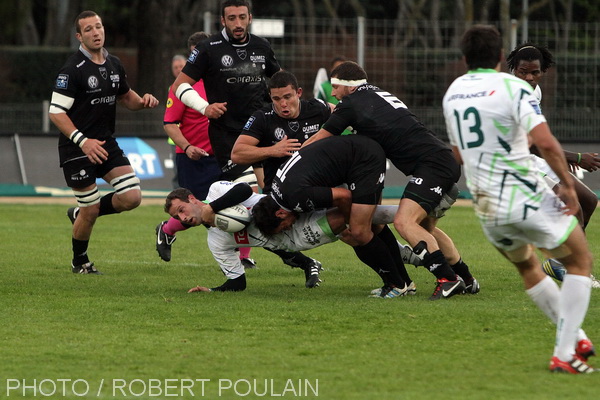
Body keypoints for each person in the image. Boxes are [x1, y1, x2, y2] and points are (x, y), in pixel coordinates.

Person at [443, 24, 595, 373]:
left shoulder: (453, 93)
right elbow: (544, 141)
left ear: (465, 59)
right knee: (580, 261)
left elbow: (459, 154)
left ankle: (577, 337)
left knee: (528, 266)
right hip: (522, 193)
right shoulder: (514, 86)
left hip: (485, 203)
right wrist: (569, 188)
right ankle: (564, 351)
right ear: (500, 58)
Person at [303, 61, 478, 299]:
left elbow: (319, 140)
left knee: (404, 223)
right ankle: (466, 278)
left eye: (335, 86)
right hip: (441, 159)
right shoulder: (377, 93)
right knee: (425, 230)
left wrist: (293, 159)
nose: (333, 93)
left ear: (349, 86)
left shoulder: (351, 104)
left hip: (432, 166)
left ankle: (447, 279)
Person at [48, 10, 159, 274]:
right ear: (79, 36)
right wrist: (83, 141)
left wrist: (142, 103)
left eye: (98, 27)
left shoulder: (114, 64)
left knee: (132, 197)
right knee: (91, 206)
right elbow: (55, 112)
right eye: (88, 29)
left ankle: (81, 214)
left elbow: (126, 97)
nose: (96, 32)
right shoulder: (72, 69)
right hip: (77, 148)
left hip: (106, 143)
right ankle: (80, 261)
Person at [164, 183, 421, 293]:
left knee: (357, 226)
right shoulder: (216, 241)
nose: (184, 218)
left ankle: (408, 258)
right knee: (353, 222)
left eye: (182, 210)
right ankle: (414, 220)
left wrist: (213, 208)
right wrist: (212, 290)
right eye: (178, 217)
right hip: (294, 237)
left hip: (289, 209)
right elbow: (237, 283)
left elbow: (244, 189)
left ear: (193, 200)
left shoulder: (217, 190)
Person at [252, 135, 415, 298]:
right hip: (356, 154)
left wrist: (348, 220)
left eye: (283, 226)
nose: (289, 227)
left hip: (363, 159)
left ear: (280, 213)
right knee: (371, 226)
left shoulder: (295, 198)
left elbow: (343, 196)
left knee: (359, 231)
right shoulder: (279, 193)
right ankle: (405, 283)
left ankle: (396, 285)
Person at [506, 43, 600, 287]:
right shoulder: (512, 93)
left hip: (532, 157)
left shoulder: (533, 92)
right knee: (573, 205)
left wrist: (559, 160)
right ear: (512, 69)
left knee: (588, 200)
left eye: (534, 72)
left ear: (543, 71)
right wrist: (575, 158)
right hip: (513, 162)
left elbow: (539, 138)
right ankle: (571, 268)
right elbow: (533, 144)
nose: (528, 77)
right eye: (522, 71)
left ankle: (560, 260)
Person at [156, 32, 221, 263]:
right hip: (193, 158)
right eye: (196, 53)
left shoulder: (223, 79)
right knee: (200, 214)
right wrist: (187, 146)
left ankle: (243, 257)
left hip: (223, 156)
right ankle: (167, 230)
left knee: (230, 206)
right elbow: (169, 124)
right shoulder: (180, 87)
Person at [167, 54, 188, 189]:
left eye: (181, 66)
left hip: (190, 134)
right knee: (178, 172)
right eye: (175, 67)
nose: (178, 69)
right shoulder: (172, 88)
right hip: (175, 138)